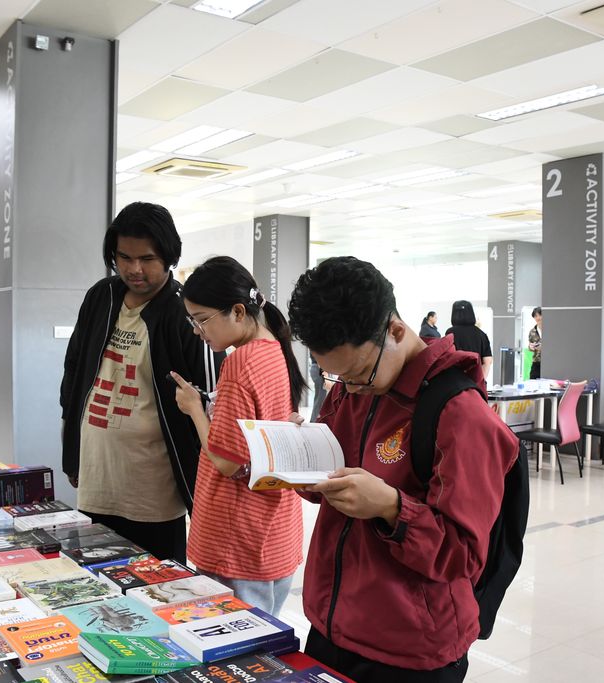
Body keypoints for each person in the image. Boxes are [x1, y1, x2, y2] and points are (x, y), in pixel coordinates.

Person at [287, 257, 518, 683]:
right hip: (330, 626)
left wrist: (392, 508)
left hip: (411, 651)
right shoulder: (352, 388)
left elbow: (464, 556)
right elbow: (330, 483)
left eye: (357, 374)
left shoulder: (461, 416)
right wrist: (300, 457)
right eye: (336, 377)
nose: (349, 388)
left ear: (395, 331)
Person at [60, 202, 222, 564]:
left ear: (168, 256)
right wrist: (72, 451)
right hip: (97, 479)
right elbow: (74, 373)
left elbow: (213, 399)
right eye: (124, 257)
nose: (134, 269)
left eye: (147, 258)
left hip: (154, 492)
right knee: (94, 585)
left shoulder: (184, 312)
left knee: (157, 592)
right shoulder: (101, 297)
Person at [171, 256, 305, 617]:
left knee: (236, 655)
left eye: (202, 320)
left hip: (236, 540)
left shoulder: (239, 363)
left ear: (238, 311)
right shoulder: (276, 350)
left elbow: (228, 461)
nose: (198, 331)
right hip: (273, 534)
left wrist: (195, 409)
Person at [445, 300, 493, 380]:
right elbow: (487, 361)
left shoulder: (450, 333)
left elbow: (447, 358)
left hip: (456, 382)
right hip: (476, 381)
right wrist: (481, 380)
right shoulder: (481, 334)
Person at [528, 306, 542, 379]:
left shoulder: (551, 329)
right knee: (532, 381)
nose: (538, 317)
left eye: (540, 315)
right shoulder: (532, 332)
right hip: (536, 362)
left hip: (549, 362)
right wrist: (530, 347)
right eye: (536, 316)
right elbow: (530, 346)